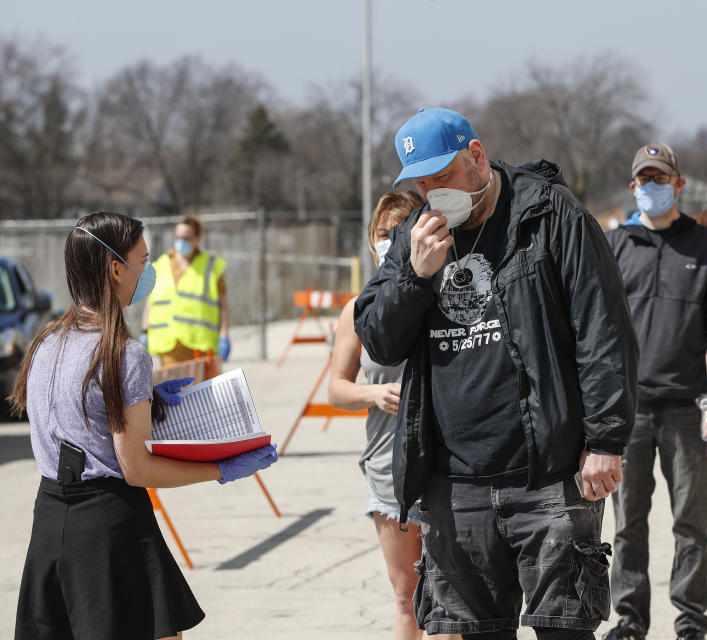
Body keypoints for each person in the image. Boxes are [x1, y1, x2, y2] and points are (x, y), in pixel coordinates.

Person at [354, 107, 639, 640]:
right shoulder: (415, 236)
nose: (435, 192)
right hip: (454, 482)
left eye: (444, 176)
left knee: (566, 627)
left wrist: (605, 439)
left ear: (478, 155)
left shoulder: (549, 214)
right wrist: (413, 278)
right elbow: (378, 338)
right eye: (423, 182)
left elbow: (602, 330)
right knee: (478, 632)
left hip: (549, 472)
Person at [9, 211, 277, 640]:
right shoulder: (124, 353)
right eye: (144, 260)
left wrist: (147, 403)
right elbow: (136, 469)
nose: (148, 271)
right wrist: (223, 468)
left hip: (50, 521)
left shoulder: (45, 341)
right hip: (111, 529)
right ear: (117, 268)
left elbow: (78, 422)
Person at [604, 143, 707, 640]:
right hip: (629, 408)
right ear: (632, 185)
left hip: (686, 405)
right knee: (626, 523)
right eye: (643, 179)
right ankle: (630, 618)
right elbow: (598, 328)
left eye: (660, 178)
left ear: (678, 184)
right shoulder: (616, 245)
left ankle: (690, 621)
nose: (650, 186)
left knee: (690, 522)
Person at [329, 190, 458, 640]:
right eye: (383, 232)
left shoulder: (451, 297)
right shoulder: (359, 309)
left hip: (449, 468)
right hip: (389, 467)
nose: (391, 240)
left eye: (401, 229)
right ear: (371, 241)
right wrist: (372, 392)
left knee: (450, 601)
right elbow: (336, 389)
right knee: (408, 597)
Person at [141, 215, 231, 368]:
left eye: (186, 237)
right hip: (168, 346)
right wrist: (144, 332)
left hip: (200, 346)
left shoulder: (211, 267)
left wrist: (224, 335)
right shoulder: (160, 265)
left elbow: (223, 306)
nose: (180, 241)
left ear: (197, 238)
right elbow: (151, 303)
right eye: (177, 237)